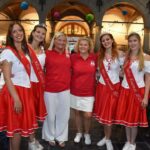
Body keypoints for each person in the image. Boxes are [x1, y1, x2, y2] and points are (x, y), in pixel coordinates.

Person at [0, 22, 38, 150]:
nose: (18, 33)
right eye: (14, 32)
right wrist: (16, 98)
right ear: (10, 35)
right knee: (16, 129)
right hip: (14, 92)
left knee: (19, 128)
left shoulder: (25, 50)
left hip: (25, 91)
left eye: (20, 30)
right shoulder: (8, 52)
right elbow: (6, 78)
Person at [115, 32, 150, 150]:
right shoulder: (125, 57)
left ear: (139, 42)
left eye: (135, 40)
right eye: (130, 41)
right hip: (125, 90)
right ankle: (128, 141)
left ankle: (132, 142)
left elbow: (148, 79)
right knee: (126, 119)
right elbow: (121, 72)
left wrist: (145, 97)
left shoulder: (146, 57)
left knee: (133, 119)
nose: (132, 43)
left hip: (137, 91)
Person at [93, 32, 124, 150]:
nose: (106, 42)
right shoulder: (99, 55)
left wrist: (123, 73)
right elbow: (97, 71)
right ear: (101, 43)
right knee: (104, 114)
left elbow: (125, 69)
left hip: (114, 88)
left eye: (108, 39)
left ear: (112, 40)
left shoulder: (120, 54)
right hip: (102, 87)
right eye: (103, 40)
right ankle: (106, 137)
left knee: (109, 115)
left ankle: (108, 139)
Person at [42, 32, 71, 148]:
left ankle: (61, 137)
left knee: (63, 115)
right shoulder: (46, 54)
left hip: (65, 89)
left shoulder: (68, 54)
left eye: (64, 40)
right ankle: (49, 136)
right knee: (50, 115)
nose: (62, 42)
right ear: (54, 40)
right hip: (49, 89)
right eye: (59, 40)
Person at [70, 37, 97, 145]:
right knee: (77, 113)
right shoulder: (73, 57)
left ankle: (87, 133)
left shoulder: (94, 57)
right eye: (81, 44)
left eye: (85, 45)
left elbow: (108, 55)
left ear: (89, 46)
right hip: (75, 90)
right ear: (78, 46)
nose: (83, 46)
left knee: (87, 115)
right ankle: (79, 132)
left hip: (89, 91)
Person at [27, 24, 47, 150]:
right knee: (29, 113)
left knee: (33, 115)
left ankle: (32, 139)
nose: (40, 35)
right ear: (33, 33)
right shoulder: (24, 48)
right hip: (27, 85)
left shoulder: (43, 50)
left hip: (38, 85)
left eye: (43, 33)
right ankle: (31, 141)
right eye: (38, 32)